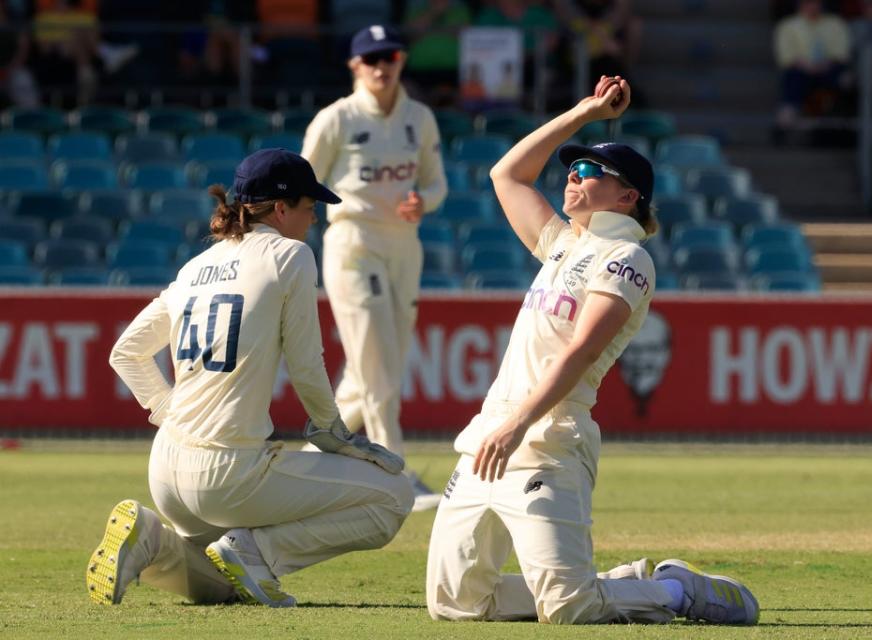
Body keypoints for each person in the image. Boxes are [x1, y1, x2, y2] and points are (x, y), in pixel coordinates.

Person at [425, 75, 760, 625]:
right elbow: (506, 174)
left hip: (548, 439)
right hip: (490, 434)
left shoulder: (628, 257)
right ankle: (613, 583)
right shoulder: (562, 244)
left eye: (587, 171)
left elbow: (581, 351)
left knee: (568, 608)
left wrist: (518, 425)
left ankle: (676, 592)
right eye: (572, 168)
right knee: (455, 603)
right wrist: (583, 113)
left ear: (628, 196)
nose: (572, 176)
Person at [87, 149, 414, 608]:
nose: (313, 220)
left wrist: (168, 412)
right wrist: (332, 433)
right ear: (281, 209)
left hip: (165, 473)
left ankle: (152, 540)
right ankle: (260, 553)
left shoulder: (193, 268)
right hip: (230, 475)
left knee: (223, 584)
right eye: (309, 208)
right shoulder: (290, 255)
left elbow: (127, 353)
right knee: (395, 496)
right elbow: (307, 364)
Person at [301, 24, 448, 511]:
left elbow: (437, 185)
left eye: (389, 57)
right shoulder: (336, 120)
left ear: (402, 60)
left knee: (369, 377)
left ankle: (303, 466)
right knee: (379, 364)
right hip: (353, 241)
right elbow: (303, 181)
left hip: (404, 245)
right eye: (371, 59)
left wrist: (421, 202)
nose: (381, 67)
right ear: (354, 66)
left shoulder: (420, 119)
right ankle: (396, 474)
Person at [773, 0, 852, 140]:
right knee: (793, 78)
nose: (812, 5)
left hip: (830, 70)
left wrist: (823, 65)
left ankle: (847, 125)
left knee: (846, 79)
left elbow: (841, 54)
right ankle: (785, 122)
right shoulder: (788, 25)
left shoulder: (835, 23)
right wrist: (808, 66)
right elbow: (786, 57)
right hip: (801, 71)